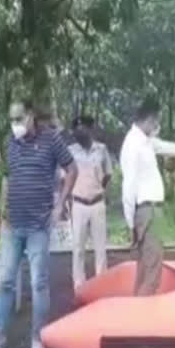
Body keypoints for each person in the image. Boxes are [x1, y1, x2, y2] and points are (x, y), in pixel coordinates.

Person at [0, 100, 78, 348]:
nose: (15, 125)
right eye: (12, 120)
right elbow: (7, 177)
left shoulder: (51, 140)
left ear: (31, 116)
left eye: (19, 119)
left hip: (39, 226)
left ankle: (38, 339)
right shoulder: (10, 143)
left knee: (39, 283)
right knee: (4, 283)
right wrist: (3, 210)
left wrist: (60, 204)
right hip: (12, 225)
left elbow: (72, 169)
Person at [120, 97, 175, 296]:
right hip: (148, 211)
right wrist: (130, 225)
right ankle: (142, 320)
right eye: (155, 121)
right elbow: (128, 186)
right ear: (148, 119)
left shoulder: (144, 141)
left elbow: (164, 146)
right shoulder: (133, 144)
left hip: (150, 211)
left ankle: (135, 313)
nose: (156, 125)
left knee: (146, 267)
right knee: (152, 269)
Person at [68, 115, 113, 289]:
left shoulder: (101, 150)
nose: (80, 132)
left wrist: (100, 189)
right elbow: (66, 177)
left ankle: (102, 286)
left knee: (100, 248)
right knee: (78, 248)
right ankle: (79, 287)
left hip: (97, 203)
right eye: (76, 129)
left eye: (83, 128)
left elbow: (108, 174)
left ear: (90, 129)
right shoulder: (70, 151)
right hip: (78, 204)